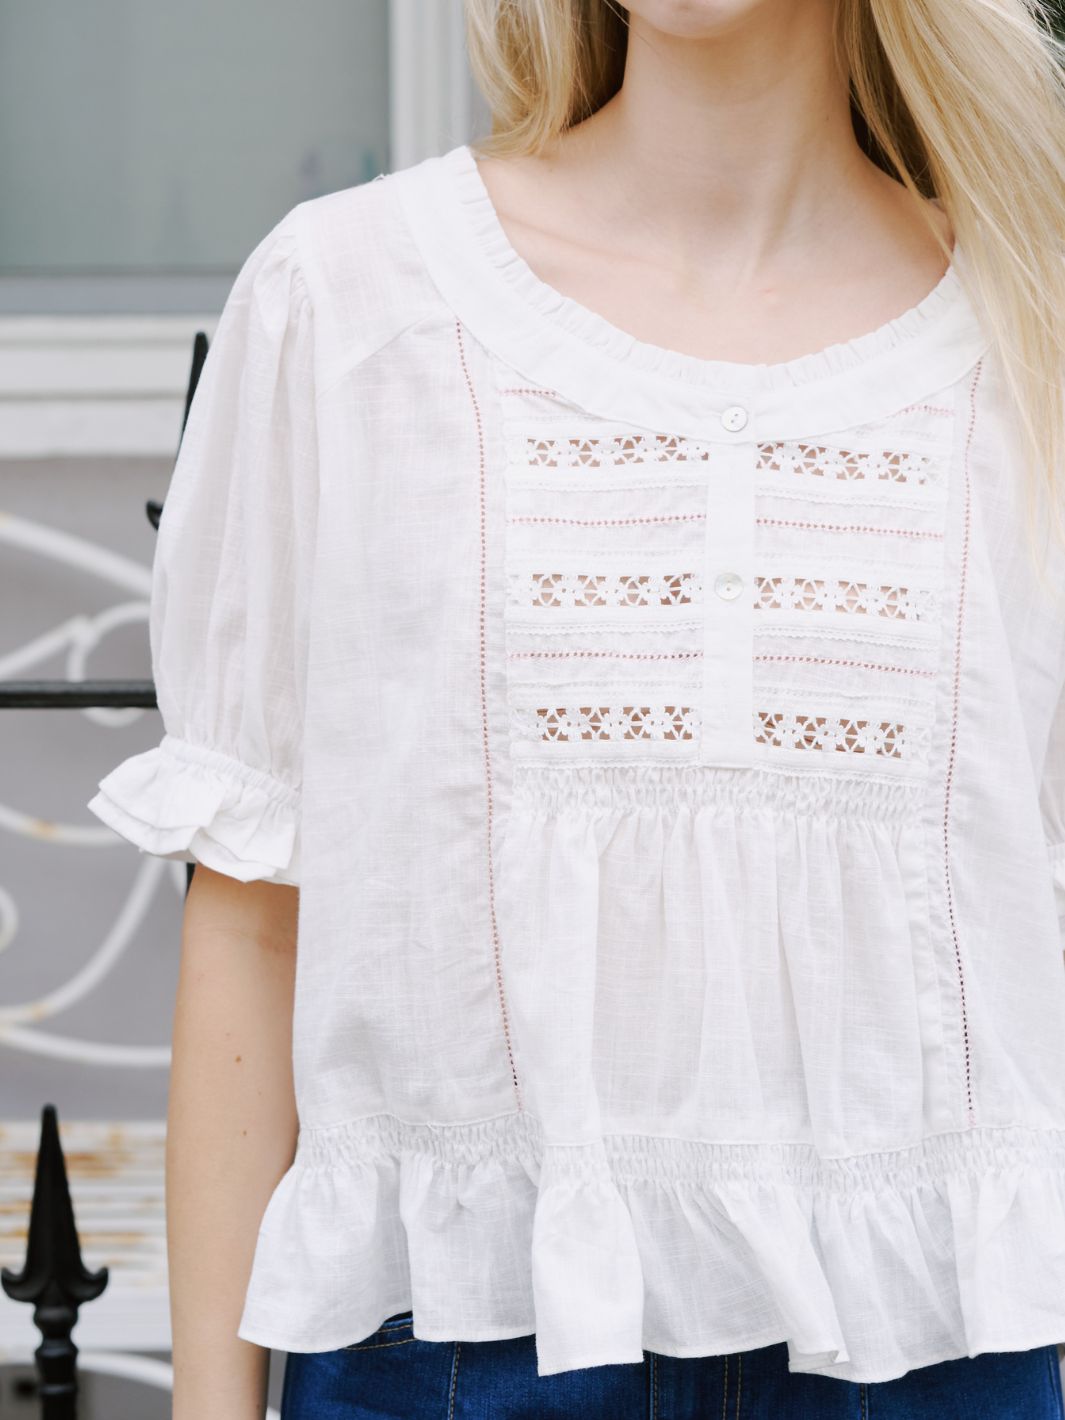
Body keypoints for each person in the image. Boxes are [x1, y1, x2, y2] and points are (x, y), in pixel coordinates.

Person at [86, 0, 1065, 1416]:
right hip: (454, 1338)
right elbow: (249, 919)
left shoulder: (1033, 322)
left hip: (940, 1340)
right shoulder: (351, 301)